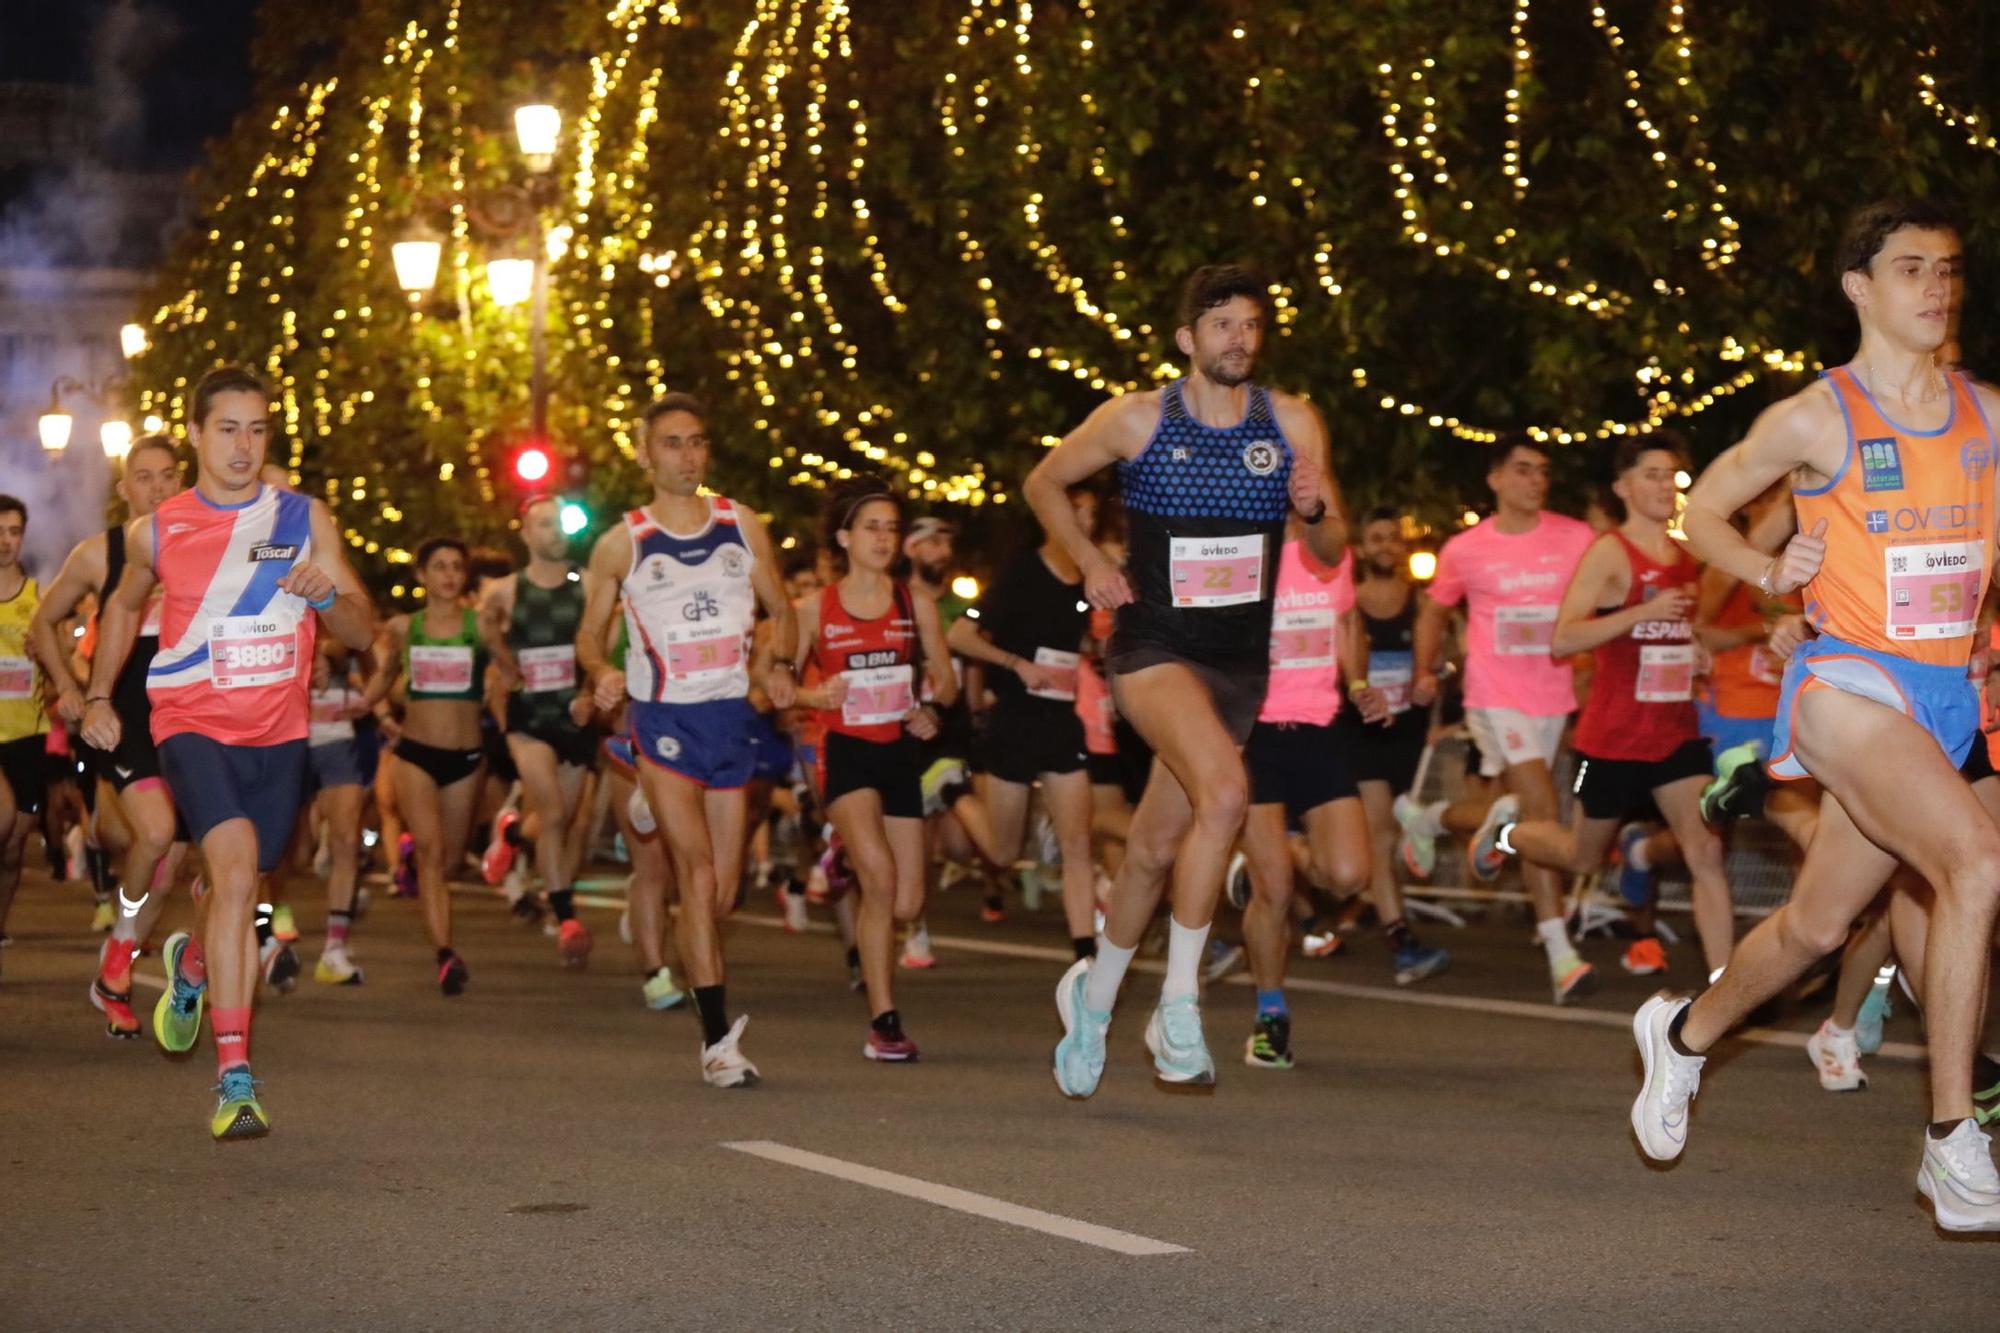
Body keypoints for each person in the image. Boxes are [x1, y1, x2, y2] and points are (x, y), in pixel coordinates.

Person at [1630, 198, 2000, 1232]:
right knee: (1974, 860)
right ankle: (1949, 1143)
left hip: (1940, 697)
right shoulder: (1816, 417)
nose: (1934, 286)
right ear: (1857, 288)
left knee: (1817, 925)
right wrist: (1760, 567)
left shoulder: (1987, 415)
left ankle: (1681, 1037)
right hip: (1845, 682)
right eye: (1910, 268)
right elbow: (1698, 506)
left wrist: (1980, 644)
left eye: (1947, 268)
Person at [1025, 263, 1345, 1097]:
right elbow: (1044, 481)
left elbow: (1330, 552)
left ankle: (1090, 1003)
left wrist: (1314, 509)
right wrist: (1090, 556)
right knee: (1228, 796)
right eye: (1222, 324)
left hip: (1240, 660)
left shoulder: (1295, 421)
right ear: (1187, 339)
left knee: (1151, 851)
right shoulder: (1137, 419)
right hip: (1154, 646)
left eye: (1250, 323)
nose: (1239, 338)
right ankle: (1178, 1006)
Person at [82, 364, 375, 1139]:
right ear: (197, 434)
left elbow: (362, 629)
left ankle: (195, 967)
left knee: (239, 889)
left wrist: (324, 597)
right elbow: (119, 605)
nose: (244, 446)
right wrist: (100, 695)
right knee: (238, 869)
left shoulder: (306, 518)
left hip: (278, 734)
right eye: (227, 429)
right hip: (192, 723)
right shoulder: (162, 526)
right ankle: (236, 1076)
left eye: (257, 429)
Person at [577, 392, 797, 1087]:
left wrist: (782, 667)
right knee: (695, 876)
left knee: (722, 895)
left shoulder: (742, 525)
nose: (686, 455)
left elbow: (783, 610)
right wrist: (602, 668)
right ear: (645, 454)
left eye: (696, 441)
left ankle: (644, 804)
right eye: (671, 443)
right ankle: (715, 1043)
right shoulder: (625, 541)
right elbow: (588, 632)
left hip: (730, 719)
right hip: (663, 720)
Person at [1478, 436, 1736, 980]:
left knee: (1706, 854)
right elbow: (1564, 639)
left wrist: (1689, 647)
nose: (1665, 486)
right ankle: (1507, 829)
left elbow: (1666, 629)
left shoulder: (1684, 556)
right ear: (1623, 487)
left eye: (1671, 476)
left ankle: (1724, 987)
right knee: (1581, 858)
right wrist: (1640, 615)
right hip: (1613, 738)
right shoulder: (1610, 552)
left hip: (1673, 731)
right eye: (1651, 475)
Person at [1402, 437, 1598, 1003]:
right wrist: (1424, 670)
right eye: (1522, 470)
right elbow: (1434, 609)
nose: (1535, 480)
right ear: (1495, 479)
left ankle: (1431, 818)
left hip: (1554, 691)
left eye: (1542, 471)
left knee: (1520, 814)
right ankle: (1561, 955)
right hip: (1494, 692)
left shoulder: (1575, 538)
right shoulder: (1467, 549)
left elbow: (1599, 602)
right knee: (1543, 809)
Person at [26, 437, 189, 1031]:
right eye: (142, 477)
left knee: (168, 860)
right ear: (123, 489)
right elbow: (45, 619)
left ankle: (113, 972)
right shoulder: (101, 554)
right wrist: (69, 686)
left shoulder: (201, 546)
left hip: (188, 712)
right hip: (120, 714)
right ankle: (120, 951)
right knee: (158, 832)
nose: (157, 489)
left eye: (168, 476)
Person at [792, 474, 956, 1061]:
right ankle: (884, 1023)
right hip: (846, 753)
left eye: (891, 528)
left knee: (908, 904)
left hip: (899, 754)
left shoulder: (919, 606)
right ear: (844, 536)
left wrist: (933, 708)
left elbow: (947, 677)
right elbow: (773, 679)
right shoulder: (814, 610)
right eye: (871, 528)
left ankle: (838, 856)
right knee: (881, 882)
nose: (884, 539)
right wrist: (813, 698)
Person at [1236, 520, 1383, 1068]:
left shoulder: (1331, 553)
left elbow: (1347, 623)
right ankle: (1270, 1016)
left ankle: (1280, 853)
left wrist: (1360, 685)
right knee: (1272, 892)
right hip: (1254, 733)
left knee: (1347, 876)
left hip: (1320, 729)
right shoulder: (1241, 547)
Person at [947, 484, 1099, 962]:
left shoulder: (1088, 581)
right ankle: (954, 792)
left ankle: (1085, 954)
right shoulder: (1020, 572)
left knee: (1079, 844)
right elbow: (961, 635)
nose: (1087, 524)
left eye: (1093, 516)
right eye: (1078, 512)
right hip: (1014, 722)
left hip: (1061, 723)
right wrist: (1016, 664)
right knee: (1004, 853)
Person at [369, 537, 494, 992]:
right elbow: (381, 681)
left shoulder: (481, 626)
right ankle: (445, 953)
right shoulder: (404, 628)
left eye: (456, 566)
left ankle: (415, 860)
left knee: (452, 859)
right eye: (438, 566)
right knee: (432, 853)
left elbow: (509, 672)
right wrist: (362, 709)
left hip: (465, 756)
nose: (448, 574)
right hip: (415, 752)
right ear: (421, 575)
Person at [479, 496, 600, 959]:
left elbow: (600, 642)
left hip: (573, 715)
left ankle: (511, 834)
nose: (555, 533)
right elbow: (487, 631)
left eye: (560, 525)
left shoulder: (587, 584)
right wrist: (506, 666)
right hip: (529, 717)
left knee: (560, 819)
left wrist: (590, 692)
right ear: (527, 534)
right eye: (545, 525)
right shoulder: (505, 591)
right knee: (550, 811)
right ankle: (566, 917)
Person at [1336, 508, 1452, 985]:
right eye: (1377, 538)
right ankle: (1399, 936)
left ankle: (1384, 913)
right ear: (1362, 549)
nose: (1386, 546)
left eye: (1393, 539)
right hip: (1361, 730)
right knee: (1381, 833)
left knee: (1393, 834)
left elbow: (1443, 665)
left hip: (1409, 730)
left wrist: (1435, 688)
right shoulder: (1347, 606)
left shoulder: (1423, 604)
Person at [0, 495, 47, 967]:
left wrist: (46, 651)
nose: (5, 542)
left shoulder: (40, 600)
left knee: (14, 848)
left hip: (28, 735)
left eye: (13, 531)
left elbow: (65, 664)